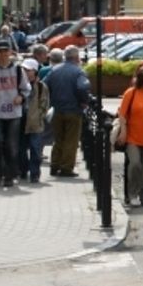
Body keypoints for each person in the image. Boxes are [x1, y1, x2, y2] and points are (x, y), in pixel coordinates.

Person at [0, 39, 31, 188]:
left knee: (12, 145)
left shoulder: (17, 69)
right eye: (0, 52)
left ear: (10, 52)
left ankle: (9, 174)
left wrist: (21, 97)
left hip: (14, 113)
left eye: (6, 51)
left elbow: (26, 88)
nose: (3, 54)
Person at [43, 46, 90, 178]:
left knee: (58, 139)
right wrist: (84, 101)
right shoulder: (78, 72)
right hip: (73, 110)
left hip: (57, 110)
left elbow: (44, 85)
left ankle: (54, 165)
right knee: (71, 140)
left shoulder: (54, 70)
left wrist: (51, 100)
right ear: (76, 57)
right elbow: (82, 87)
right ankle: (66, 168)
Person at [120, 64, 143, 207]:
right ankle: (132, 193)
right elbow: (122, 114)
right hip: (133, 137)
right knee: (135, 164)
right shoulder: (132, 92)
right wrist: (123, 131)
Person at [20, 58, 49, 183]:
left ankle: (35, 173)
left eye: (28, 70)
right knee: (20, 149)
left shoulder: (42, 87)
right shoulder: (18, 85)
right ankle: (23, 170)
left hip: (35, 123)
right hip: (20, 121)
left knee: (35, 149)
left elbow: (45, 104)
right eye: (24, 69)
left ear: (35, 71)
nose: (26, 72)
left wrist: (39, 115)